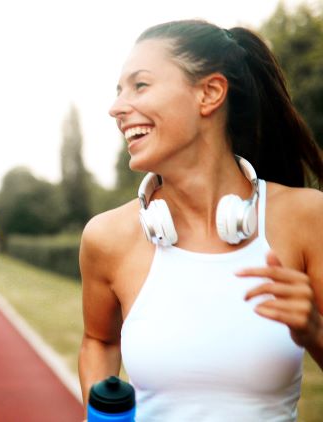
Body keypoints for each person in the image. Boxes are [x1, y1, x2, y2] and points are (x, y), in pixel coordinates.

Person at [79, 20, 323, 420]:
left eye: (140, 86)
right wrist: (103, 414)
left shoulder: (306, 217)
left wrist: (314, 331)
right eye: (118, 91)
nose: (116, 108)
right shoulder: (107, 237)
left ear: (209, 93)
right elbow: (99, 340)